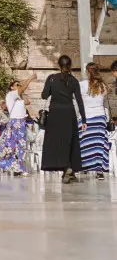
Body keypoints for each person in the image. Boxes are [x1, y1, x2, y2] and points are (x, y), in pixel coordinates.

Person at [41, 55, 87, 183]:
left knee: (57, 143)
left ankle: (66, 168)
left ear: (58, 65)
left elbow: (44, 95)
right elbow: (79, 101)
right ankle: (69, 168)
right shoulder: (74, 80)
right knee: (70, 142)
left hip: (55, 114)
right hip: (69, 113)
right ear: (70, 65)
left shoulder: (51, 79)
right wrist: (84, 120)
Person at [0, 75, 36, 176]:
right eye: (17, 85)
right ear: (12, 87)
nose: (19, 86)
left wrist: (22, 91)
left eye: (20, 85)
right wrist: (29, 78)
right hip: (15, 122)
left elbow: (27, 102)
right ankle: (2, 161)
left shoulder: (19, 97)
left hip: (21, 122)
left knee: (20, 146)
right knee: (10, 145)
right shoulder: (11, 95)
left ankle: (18, 167)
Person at [79, 64, 110, 179]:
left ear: (87, 72)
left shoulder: (81, 85)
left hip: (86, 118)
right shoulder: (103, 86)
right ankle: (99, 171)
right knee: (99, 145)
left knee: (84, 144)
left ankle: (84, 167)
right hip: (100, 118)